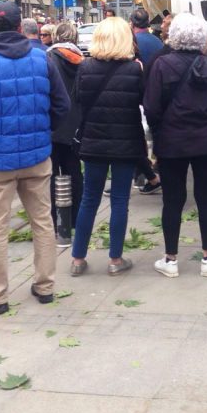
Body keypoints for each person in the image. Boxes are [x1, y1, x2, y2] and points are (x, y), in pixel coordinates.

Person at [0, 1, 70, 313]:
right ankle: (45, 286)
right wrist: (44, 132)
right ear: (21, 27)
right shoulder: (42, 60)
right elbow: (62, 107)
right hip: (36, 157)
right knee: (43, 222)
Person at [144, 13, 207, 278]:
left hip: (172, 142)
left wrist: (158, 135)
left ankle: (170, 258)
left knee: (172, 200)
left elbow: (151, 106)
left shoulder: (161, 65)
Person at [69, 16, 146, 276]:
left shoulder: (85, 68)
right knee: (120, 200)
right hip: (125, 142)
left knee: (89, 199)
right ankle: (115, 259)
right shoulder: (135, 69)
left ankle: (78, 259)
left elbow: (78, 101)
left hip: (92, 141)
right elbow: (143, 102)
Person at [47, 21, 84, 230]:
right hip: (75, 128)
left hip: (52, 126)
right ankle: (77, 218)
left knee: (51, 175)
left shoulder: (48, 59)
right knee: (74, 172)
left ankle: (54, 220)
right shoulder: (83, 62)